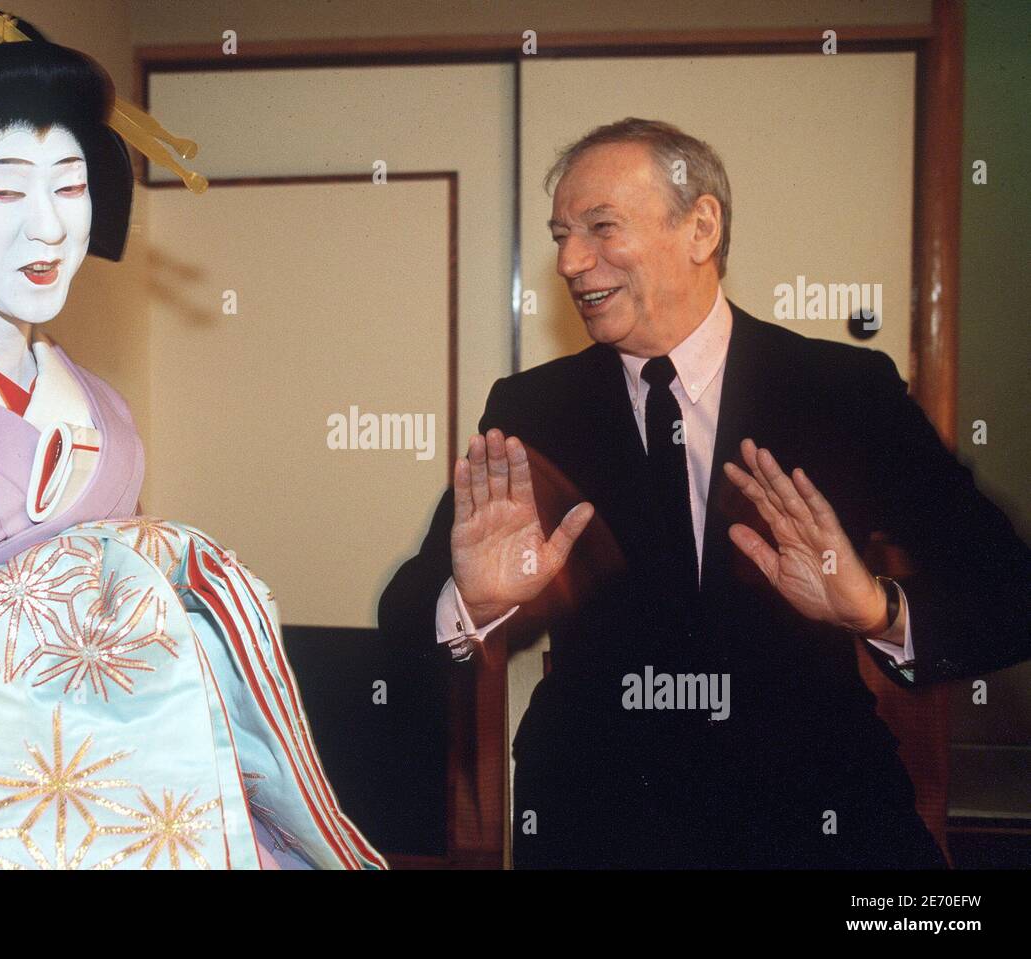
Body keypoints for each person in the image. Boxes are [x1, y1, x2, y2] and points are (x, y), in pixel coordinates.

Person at [0, 6, 382, 871]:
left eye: (72, 182)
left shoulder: (99, 411)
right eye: (4, 187)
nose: (49, 226)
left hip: (133, 806)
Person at [379, 117, 1031, 869]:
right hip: (600, 819)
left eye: (600, 227)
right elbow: (404, 623)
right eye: (560, 233)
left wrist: (876, 609)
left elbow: (1009, 590)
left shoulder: (844, 391)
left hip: (817, 814)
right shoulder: (533, 410)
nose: (568, 260)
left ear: (700, 227)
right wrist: (472, 603)